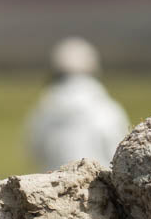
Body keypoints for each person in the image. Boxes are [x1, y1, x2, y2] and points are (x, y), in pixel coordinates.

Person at [26, 36, 130, 171]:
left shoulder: (46, 107)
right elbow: (118, 151)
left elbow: (34, 149)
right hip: (100, 188)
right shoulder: (106, 107)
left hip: (54, 186)